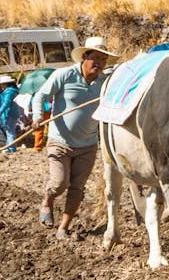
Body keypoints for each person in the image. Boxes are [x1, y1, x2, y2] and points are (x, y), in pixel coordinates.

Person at [32, 36, 119, 239]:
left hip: (88, 145)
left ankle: (64, 227)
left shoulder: (104, 83)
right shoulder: (65, 75)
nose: (99, 63)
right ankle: (47, 200)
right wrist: (37, 117)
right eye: (95, 57)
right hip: (59, 141)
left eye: (103, 60)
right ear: (84, 57)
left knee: (77, 188)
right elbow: (41, 96)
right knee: (59, 182)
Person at [0, 75, 20, 152]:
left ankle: (11, 149)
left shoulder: (9, 91)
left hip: (10, 113)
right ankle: (9, 147)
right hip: (8, 113)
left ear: (5, 83)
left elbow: (6, 103)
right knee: (9, 131)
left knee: (10, 131)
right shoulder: (8, 91)